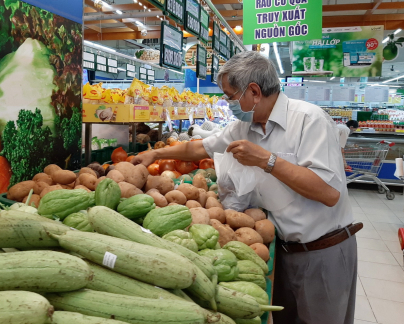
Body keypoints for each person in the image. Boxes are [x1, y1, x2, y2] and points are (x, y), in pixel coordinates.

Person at [131, 51, 360, 324]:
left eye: (230, 96)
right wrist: (155, 155)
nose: (228, 104)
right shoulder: (245, 126)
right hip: (282, 250)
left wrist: (267, 160)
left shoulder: (309, 120)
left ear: (253, 91)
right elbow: (200, 147)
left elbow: (328, 192)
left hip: (323, 252)